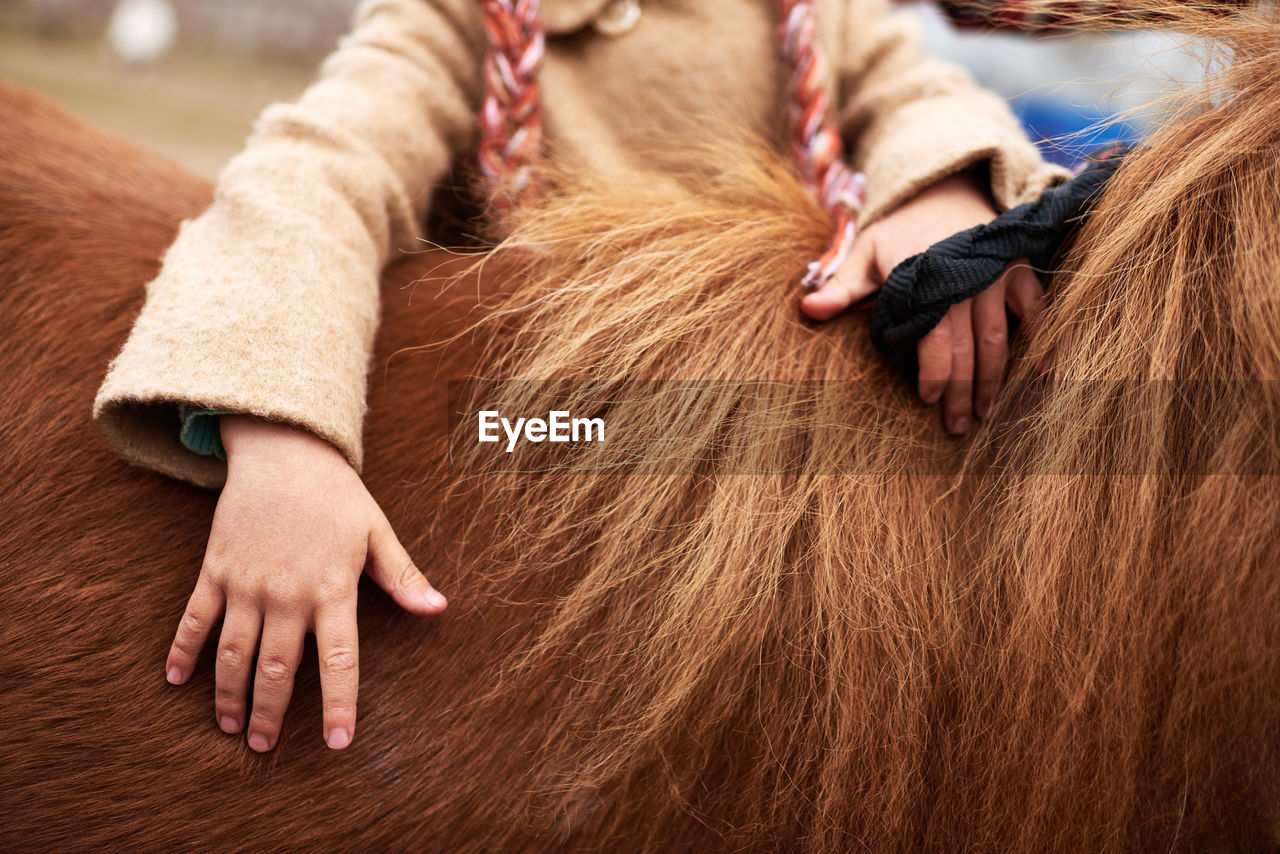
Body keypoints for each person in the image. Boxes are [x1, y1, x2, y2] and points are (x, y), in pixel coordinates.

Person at [91, 0, 1068, 753]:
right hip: (555, 459)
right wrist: (282, 433)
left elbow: (917, 91)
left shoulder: (810, 15)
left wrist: (936, 188)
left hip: (776, 446)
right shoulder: (464, 18)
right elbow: (318, 172)